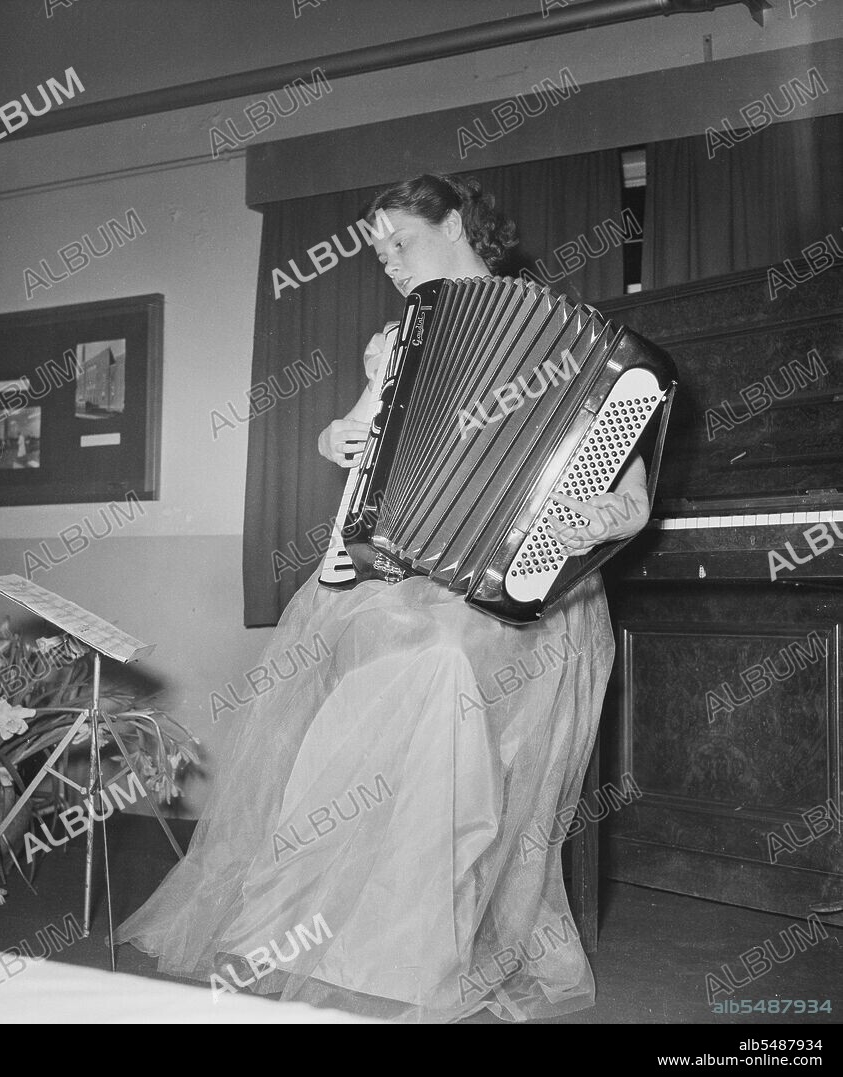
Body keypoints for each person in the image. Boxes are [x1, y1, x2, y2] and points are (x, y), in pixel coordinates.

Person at [116, 173, 650, 1022]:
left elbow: (632, 501)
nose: (390, 264)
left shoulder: (566, 340)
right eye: (378, 252)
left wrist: (587, 520)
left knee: (435, 667)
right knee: (393, 657)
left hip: (530, 595)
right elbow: (350, 436)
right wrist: (340, 433)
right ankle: (327, 927)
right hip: (407, 582)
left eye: (401, 242)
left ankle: (409, 947)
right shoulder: (399, 340)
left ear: (462, 225)